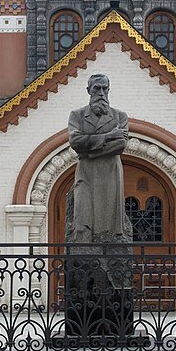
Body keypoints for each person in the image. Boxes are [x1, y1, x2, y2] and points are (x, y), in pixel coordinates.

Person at [66, 73, 131, 245]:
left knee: (109, 224)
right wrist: (109, 135)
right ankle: (84, 250)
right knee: (82, 217)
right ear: (89, 90)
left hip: (109, 174)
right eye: (97, 88)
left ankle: (109, 248)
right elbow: (75, 142)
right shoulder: (77, 116)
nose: (101, 93)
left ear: (109, 90)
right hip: (86, 174)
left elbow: (120, 145)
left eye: (104, 88)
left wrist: (88, 153)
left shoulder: (119, 116)